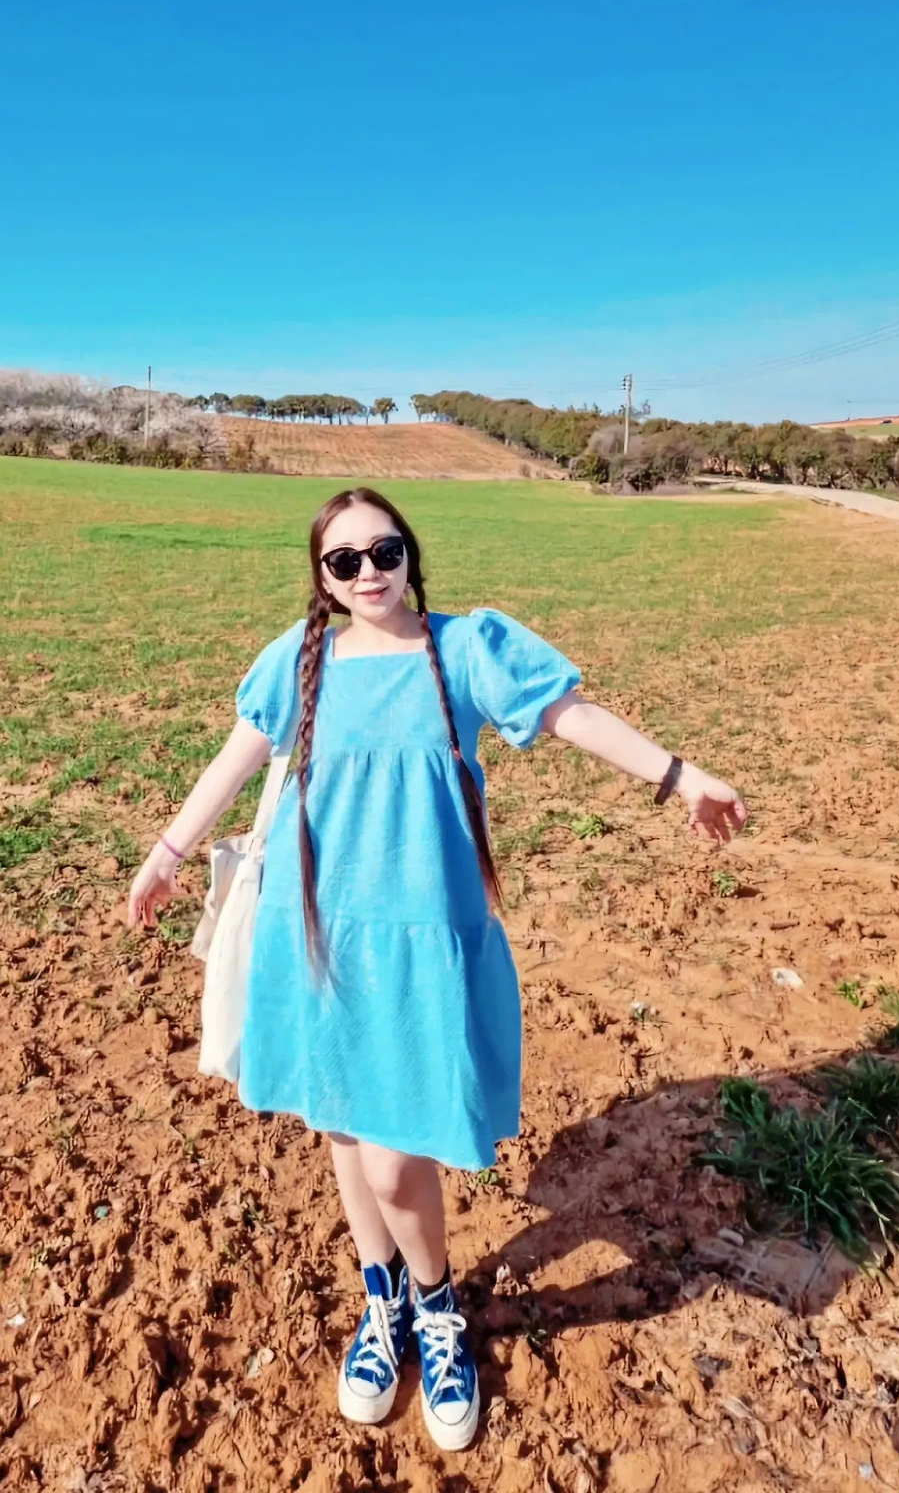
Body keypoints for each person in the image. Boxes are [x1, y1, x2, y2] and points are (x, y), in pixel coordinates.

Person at [128, 487, 746, 1451]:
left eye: (384, 551)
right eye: (344, 561)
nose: (368, 572)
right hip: (319, 932)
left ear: (410, 553)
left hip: (423, 939)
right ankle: (384, 1305)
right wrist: (166, 855)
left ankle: (436, 1304)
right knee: (342, 1124)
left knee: (392, 1154)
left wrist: (680, 775)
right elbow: (234, 761)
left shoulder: (463, 649)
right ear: (323, 579)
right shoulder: (301, 661)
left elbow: (572, 714)